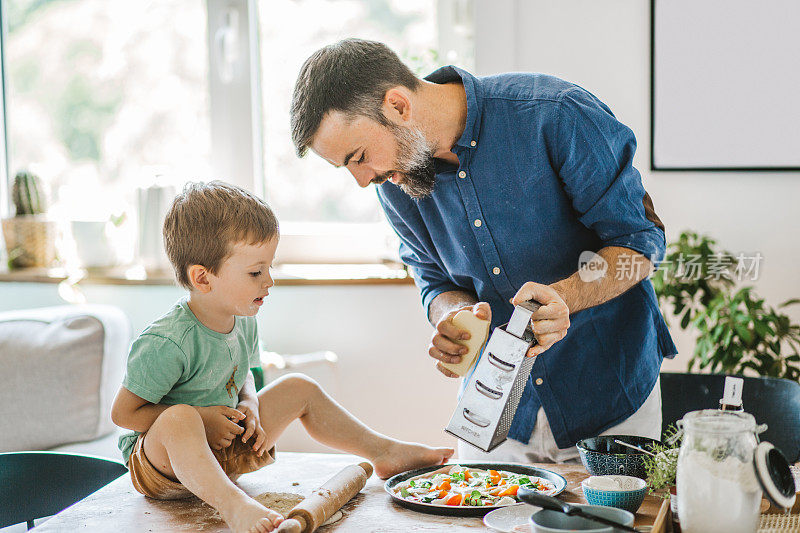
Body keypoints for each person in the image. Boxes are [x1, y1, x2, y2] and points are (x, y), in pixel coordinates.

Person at [290, 39, 677, 464]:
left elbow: (639, 242)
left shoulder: (556, 114)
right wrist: (451, 316)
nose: (363, 181)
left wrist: (567, 295)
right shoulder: (396, 181)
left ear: (398, 106)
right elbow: (432, 278)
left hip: (609, 395)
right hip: (494, 407)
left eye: (359, 157)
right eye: (347, 168)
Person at [110, 181, 453, 533]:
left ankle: (383, 451)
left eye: (269, 267)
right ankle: (234, 505)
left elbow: (240, 372)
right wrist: (201, 419)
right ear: (202, 278)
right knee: (179, 419)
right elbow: (124, 414)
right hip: (160, 467)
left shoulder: (243, 319)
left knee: (298, 387)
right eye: (256, 272)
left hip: (223, 449)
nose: (269, 281)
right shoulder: (168, 340)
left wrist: (250, 403)